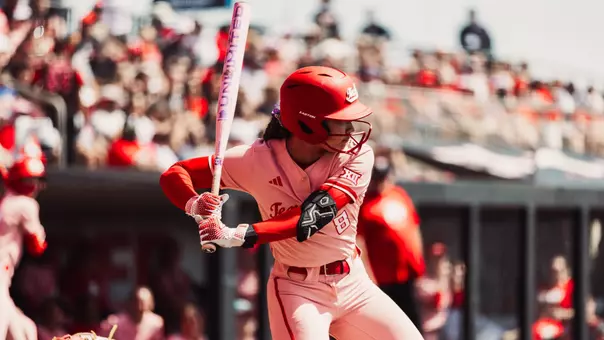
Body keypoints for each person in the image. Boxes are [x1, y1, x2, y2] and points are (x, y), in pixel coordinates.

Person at [160, 66, 423, 340]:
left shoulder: (356, 156)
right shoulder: (254, 159)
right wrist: (194, 204)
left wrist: (236, 234)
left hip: (353, 282)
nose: (349, 130)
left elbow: (311, 218)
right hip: (297, 290)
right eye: (339, 121)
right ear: (306, 122)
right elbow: (175, 174)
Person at [356, 151, 425, 332]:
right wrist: (368, 277)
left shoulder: (399, 195)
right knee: (385, 328)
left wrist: (419, 264)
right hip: (382, 279)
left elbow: (414, 229)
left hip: (406, 276)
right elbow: (359, 242)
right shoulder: (365, 203)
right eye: (376, 177)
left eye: (383, 176)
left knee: (413, 326)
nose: (380, 182)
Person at [0, 156, 47, 340]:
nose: (36, 185)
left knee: (24, 330)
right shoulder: (25, 204)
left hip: (4, 279)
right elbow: (37, 246)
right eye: (31, 180)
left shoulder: (7, 198)